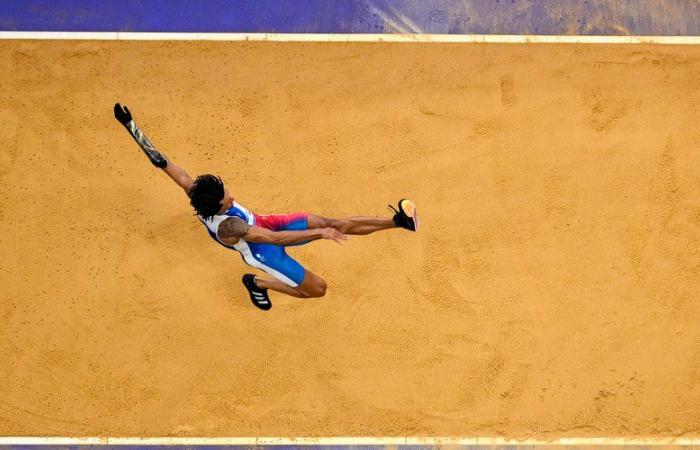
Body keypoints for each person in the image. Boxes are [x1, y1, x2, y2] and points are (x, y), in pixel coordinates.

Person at [113, 103, 418, 310]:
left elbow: (164, 164)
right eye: (226, 199)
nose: (231, 196)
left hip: (267, 223)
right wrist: (318, 234)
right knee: (317, 289)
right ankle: (258, 283)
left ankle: (397, 222)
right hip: (264, 250)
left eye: (226, 191)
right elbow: (273, 240)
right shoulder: (230, 227)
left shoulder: (199, 191)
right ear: (218, 209)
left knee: (331, 221)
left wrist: (131, 126)